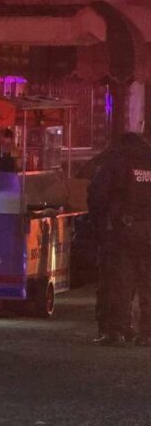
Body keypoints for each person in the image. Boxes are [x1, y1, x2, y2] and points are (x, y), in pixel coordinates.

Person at [88, 132, 151, 346]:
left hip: (124, 229)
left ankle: (117, 331)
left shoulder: (116, 160)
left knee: (120, 281)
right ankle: (147, 333)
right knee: (147, 283)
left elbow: (97, 194)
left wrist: (101, 225)